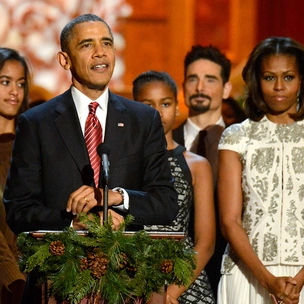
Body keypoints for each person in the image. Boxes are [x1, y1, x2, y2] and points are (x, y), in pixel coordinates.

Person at [4, 14, 178, 236]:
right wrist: (73, 223)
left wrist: (117, 197)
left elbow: (166, 203)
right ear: (64, 60)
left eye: (107, 43)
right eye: (87, 45)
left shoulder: (143, 120)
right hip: (61, 263)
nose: (100, 52)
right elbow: (19, 210)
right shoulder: (37, 123)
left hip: (127, 265)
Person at [217, 36, 304, 304]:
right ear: (257, 81)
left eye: (288, 77)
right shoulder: (237, 136)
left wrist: (298, 279)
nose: (279, 87)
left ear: (301, 80)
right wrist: (268, 281)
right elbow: (230, 221)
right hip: (248, 276)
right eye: (269, 78)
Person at [133, 70, 216, 304]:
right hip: (135, 280)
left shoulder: (197, 165)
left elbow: (206, 241)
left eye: (166, 103)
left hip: (186, 280)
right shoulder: (125, 165)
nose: (157, 112)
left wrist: (172, 293)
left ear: (177, 108)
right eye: (147, 104)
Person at [172, 44, 232, 298]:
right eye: (193, 79)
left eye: (210, 80)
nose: (200, 88)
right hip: (173, 271)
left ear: (226, 88)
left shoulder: (242, 142)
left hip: (229, 268)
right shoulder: (162, 142)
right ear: (183, 86)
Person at [0, 48, 30, 304]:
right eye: (5, 82)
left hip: (32, 277)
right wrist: (13, 277)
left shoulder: (33, 146)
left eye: (20, 83)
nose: (14, 92)